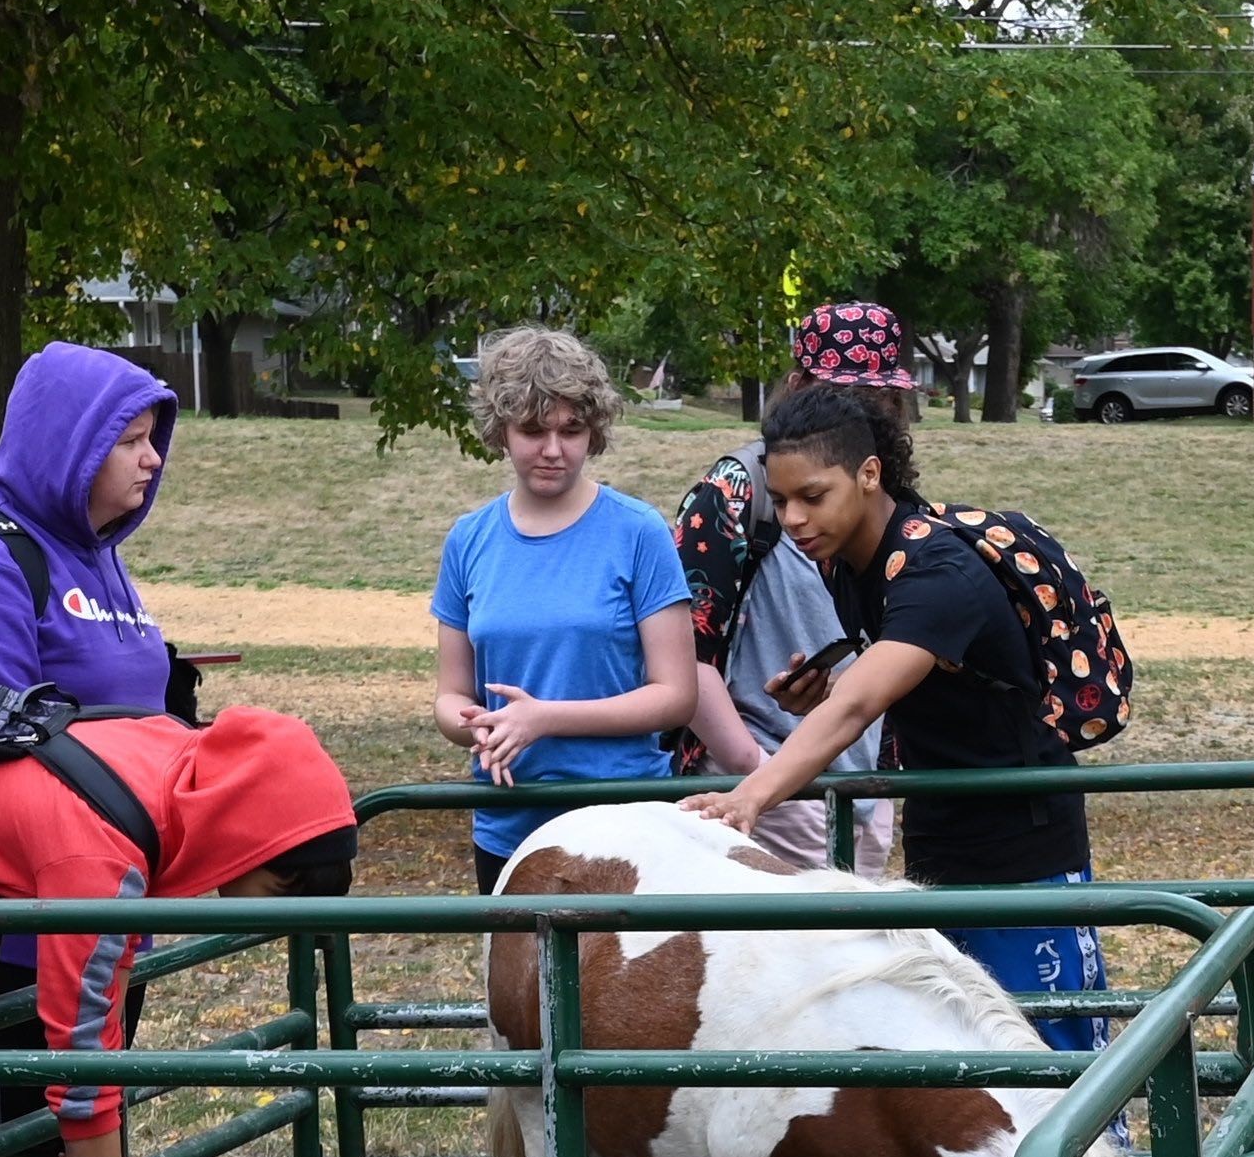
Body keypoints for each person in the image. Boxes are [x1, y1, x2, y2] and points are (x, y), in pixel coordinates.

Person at [677, 377, 1104, 1047]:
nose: (792, 520)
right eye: (782, 499)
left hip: (1024, 843)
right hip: (942, 836)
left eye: (813, 497)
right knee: (969, 1062)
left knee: (1056, 1059)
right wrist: (823, 684)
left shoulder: (936, 571)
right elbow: (897, 682)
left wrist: (749, 797)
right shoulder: (847, 563)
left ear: (869, 473)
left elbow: (858, 706)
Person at [0, 705, 362, 1157]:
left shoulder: (169, 766)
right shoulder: (98, 851)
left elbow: (100, 992)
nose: (274, 927)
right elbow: (81, 1045)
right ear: (255, 843)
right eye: (278, 897)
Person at [425, 324, 697, 866]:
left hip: (626, 824)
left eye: (571, 430)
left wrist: (544, 718)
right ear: (500, 430)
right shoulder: (468, 539)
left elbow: (676, 696)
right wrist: (481, 726)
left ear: (593, 433)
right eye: (532, 429)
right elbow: (450, 695)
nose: (553, 450)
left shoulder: (639, 531)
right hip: (509, 827)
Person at [672, 299, 907, 865]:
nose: (862, 413)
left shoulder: (883, 494)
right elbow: (685, 652)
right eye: (842, 392)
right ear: (798, 384)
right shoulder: (734, 490)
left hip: (860, 788)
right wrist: (756, 770)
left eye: (879, 396)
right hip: (765, 790)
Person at [0, 338, 187, 714]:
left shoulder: (97, 552)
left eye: (150, 438)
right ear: (70, 447)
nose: (152, 458)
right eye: (131, 440)